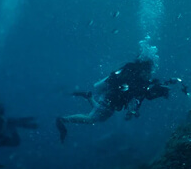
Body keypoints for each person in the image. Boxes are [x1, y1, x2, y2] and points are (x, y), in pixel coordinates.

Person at [56, 57, 184, 142]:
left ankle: (89, 96)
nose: (150, 74)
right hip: (110, 100)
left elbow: (141, 95)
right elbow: (139, 94)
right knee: (92, 119)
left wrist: (161, 87)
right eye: (149, 71)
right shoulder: (133, 78)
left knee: (100, 115)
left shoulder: (136, 78)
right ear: (143, 70)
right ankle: (63, 120)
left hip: (110, 100)